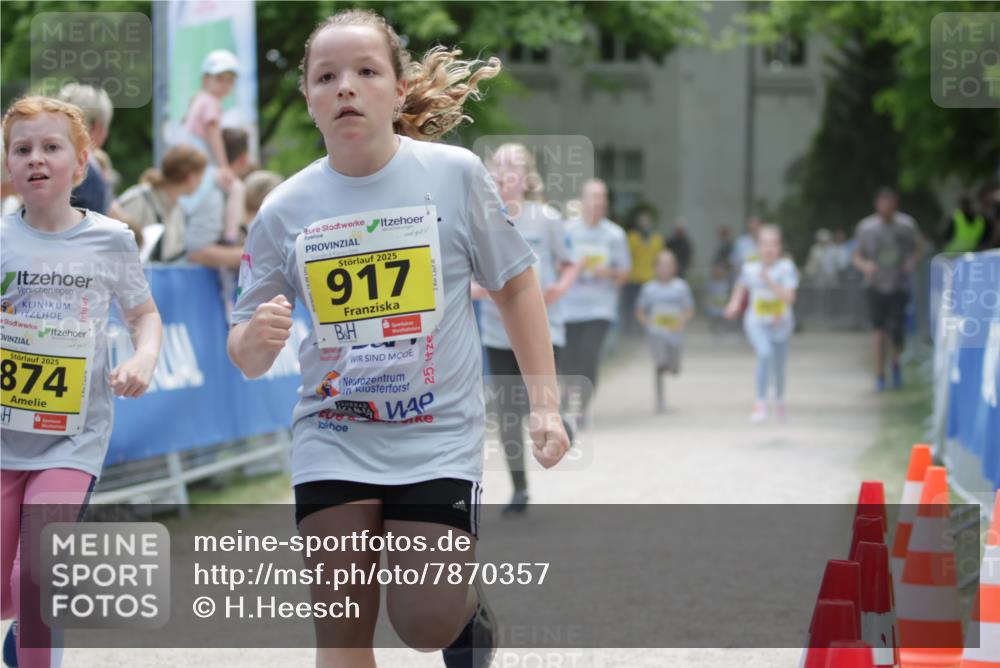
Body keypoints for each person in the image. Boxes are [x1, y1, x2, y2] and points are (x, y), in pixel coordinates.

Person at [226, 10, 570, 668]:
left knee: (425, 621)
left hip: (435, 433)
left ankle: (466, 614)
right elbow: (242, 349)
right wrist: (257, 340)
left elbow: (516, 286)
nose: (345, 87)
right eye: (326, 77)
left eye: (366, 71)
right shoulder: (283, 209)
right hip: (333, 431)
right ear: (309, 97)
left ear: (400, 86)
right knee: (341, 630)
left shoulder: (454, 175)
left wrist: (546, 406)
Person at [1, 96, 162, 668]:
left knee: (35, 576)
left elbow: (143, 314)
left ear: (81, 162)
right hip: (4, 437)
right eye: (21, 148)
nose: (35, 158)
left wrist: (144, 357)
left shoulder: (111, 238)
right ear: (7, 164)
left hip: (74, 437)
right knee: (9, 591)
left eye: (51, 147)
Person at [473, 143, 578, 516]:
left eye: (513, 166)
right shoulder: (479, 220)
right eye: (498, 165)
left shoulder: (547, 218)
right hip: (497, 332)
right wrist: (483, 290)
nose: (504, 173)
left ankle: (557, 418)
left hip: (545, 329)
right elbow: (468, 277)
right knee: (508, 413)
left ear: (527, 177)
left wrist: (559, 288)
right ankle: (519, 488)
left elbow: (570, 263)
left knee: (541, 399)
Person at [558, 178, 631, 424]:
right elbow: (555, 265)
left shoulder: (615, 235)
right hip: (569, 306)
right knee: (568, 358)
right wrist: (572, 269)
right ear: (583, 200)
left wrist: (608, 272)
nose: (598, 202)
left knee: (589, 354)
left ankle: (582, 408)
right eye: (594, 197)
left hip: (600, 307)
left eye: (602, 198)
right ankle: (569, 389)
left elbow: (624, 274)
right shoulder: (567, 230)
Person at [852, 187, 926, 391]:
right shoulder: (866, 227)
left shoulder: (906, 225)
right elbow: (856, 255)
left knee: (896, 331)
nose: (886, 207)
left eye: (890, 203)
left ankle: (895, 366)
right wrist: (865, 266)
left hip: (898, 284)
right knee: (878, 331)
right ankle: (880, 374)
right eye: (882, 202)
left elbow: (920, 245)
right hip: (875, 285)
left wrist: (912, 261)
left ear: (895, 204)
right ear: (877, 204)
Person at [724, 224, 799, 422]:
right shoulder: (750, 268)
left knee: (779, 366)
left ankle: (780, 398)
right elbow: (741, 286)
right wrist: (734, 304)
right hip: (757, 322)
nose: (769, 249)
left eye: (773, 244)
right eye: (765, 244)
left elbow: (790, 298)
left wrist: (770, 282)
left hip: (781, 325)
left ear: (780, 247)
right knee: (765, 354)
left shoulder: (786, 268)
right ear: (757, 247)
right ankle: (760, 402)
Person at [181, 49, 245, 245]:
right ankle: (231, 237)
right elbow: (214, 135)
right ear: (206, 79)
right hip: (200, 165)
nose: (225, 84)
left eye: (229, 80)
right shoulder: (211, 102)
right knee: (236, 187)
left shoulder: (199, 99)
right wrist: (224, 166)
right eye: (220, 79)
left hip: (192, 163)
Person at [117, 144, 208, 262]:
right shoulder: (139, 199)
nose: (201, 182)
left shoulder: (178, 210)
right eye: (200, 176)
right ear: (190, 177)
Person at [634, 249, 694, 412]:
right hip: (656, 334)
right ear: (655, 268)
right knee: (659, 364)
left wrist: (681, 321)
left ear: (675, 267)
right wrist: (647, 322)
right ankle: (659, 400)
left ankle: (672, 366)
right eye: (661, 265)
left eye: (668, 265)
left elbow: (688, 309)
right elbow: (640, 310)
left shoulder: (681, 287)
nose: (665, 269)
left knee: (674, 367)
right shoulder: (649, 288)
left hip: (674, 335)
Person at [622, 204, 663, 336]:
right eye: (641, 219)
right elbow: (625, 257)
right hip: (633, 279)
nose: (644, 222)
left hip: (650, 279)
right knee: (631, 307)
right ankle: (629, 332)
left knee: (648, 308)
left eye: (646, 219)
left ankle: (646, 332)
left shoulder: (657, 238)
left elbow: (659, 258)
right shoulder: (631, 237)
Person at [704, 260, 732, 338]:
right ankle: (713, 334)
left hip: (723, 307)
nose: (719, 272)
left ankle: (723, 334)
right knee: (714, 322)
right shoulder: (710, 284)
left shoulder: (726, 283)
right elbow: (707, 296)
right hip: (713, 307)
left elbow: (729, 295)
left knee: (722, 322)